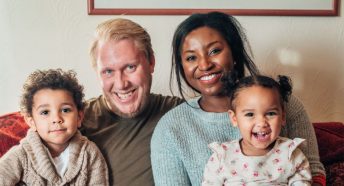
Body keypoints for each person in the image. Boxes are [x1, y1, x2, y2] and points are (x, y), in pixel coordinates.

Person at [151, 11, 325, 186]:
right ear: (182, 67)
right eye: (191, 57)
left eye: (214, 51)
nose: (204, 65)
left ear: (234, 52)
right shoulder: (170, 128)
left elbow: (313, 172)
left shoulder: (283, 103)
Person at [80, 18, 182, 186]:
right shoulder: (75, 121)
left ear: (151, 62)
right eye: (108, 71)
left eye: (130, 67)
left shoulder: (178, 112)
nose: (121, 84)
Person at [0, 69, 109, 185]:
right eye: (45, 112)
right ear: (31, 121)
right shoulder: (21, 156)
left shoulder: (90, 154)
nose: (56, 119)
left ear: (79, 117)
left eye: (65, 110)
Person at [202, 74, 312, 185]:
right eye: (250, 114)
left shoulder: (291, 154)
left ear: (283, 117)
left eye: (270, 113)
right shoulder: (221, 157)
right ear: (234, 118)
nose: (261, 123)